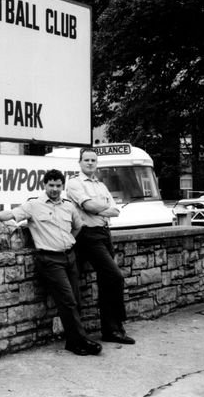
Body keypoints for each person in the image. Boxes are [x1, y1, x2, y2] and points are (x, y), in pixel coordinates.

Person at [0, 169, 102, 356]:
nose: (54, 189)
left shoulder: (68, 205)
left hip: (69, 256)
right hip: (50, 260)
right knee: (67, 300)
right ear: (44, 185)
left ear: (62, 186)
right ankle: (79, 342)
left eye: (58, 185)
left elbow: (78, 226)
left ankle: (73, 340)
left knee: (75, 299)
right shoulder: (34, 205)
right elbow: (12, 213)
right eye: (51, 185)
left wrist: (68, 242)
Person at [66, 148, 135, 345]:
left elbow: (116, 211)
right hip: (87, 236)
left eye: (93, 160)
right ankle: (114, 327)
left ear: (97, 163)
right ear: (79, 162)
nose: (90, 163)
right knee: (115, 276)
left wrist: (100, 209)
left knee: (108, 281)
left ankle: (111, 330)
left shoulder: (101, 186)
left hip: (105, 234)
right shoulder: (74, 183)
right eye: (86, 160)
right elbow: (89, 207)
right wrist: (102, 209)